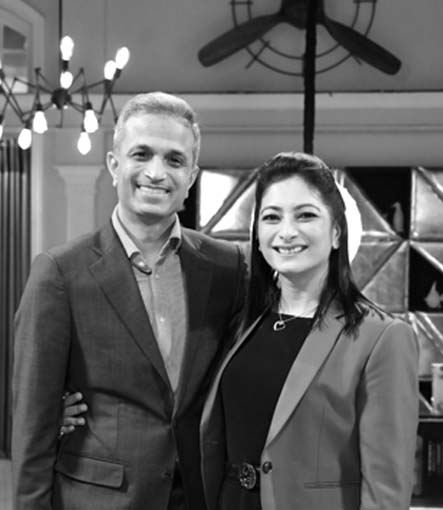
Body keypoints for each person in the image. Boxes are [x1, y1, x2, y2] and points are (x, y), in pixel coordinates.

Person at [12, 91, 246, 510]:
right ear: (114, 164)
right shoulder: (60, 273)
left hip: (198, 497)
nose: (156, 172)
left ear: (191, 176)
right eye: (141, 154)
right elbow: (32, 422)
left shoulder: (227, 267)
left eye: (174, 160)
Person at [199, 152, 419, 510]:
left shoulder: (382, 337)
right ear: (258, 236)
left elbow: (387, 490)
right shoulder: (243, 322)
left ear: (336, 233)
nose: (286, 232)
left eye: (305, 215)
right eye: (272, 217)